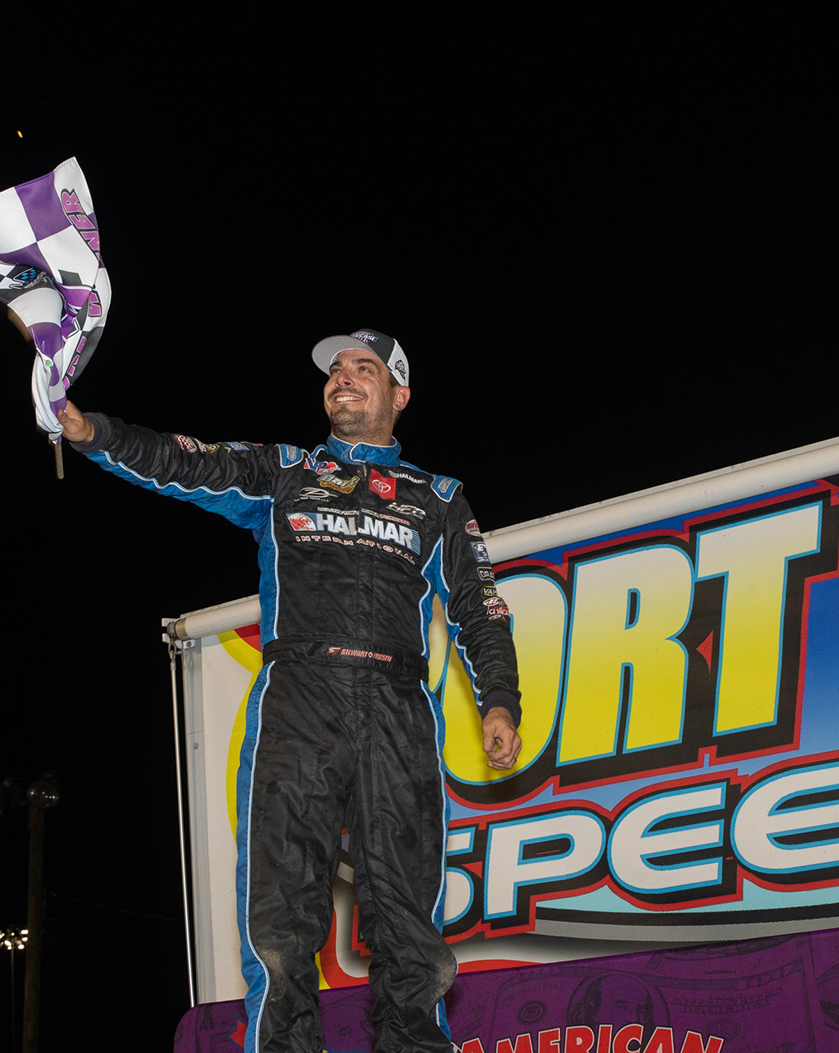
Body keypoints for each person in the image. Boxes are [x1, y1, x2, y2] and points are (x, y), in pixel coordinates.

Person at [57, 329, 521, 1053]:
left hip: (397, 706)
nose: (343, 377)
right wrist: (93, 433)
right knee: (281, 923)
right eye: (335, 369)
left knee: (406, 924)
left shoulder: (439, 498)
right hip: (298, 701)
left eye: (362, 368)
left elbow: (480, 607)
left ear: (399, 394)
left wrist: (499, 700)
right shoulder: (283, 473)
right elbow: (186, 461)